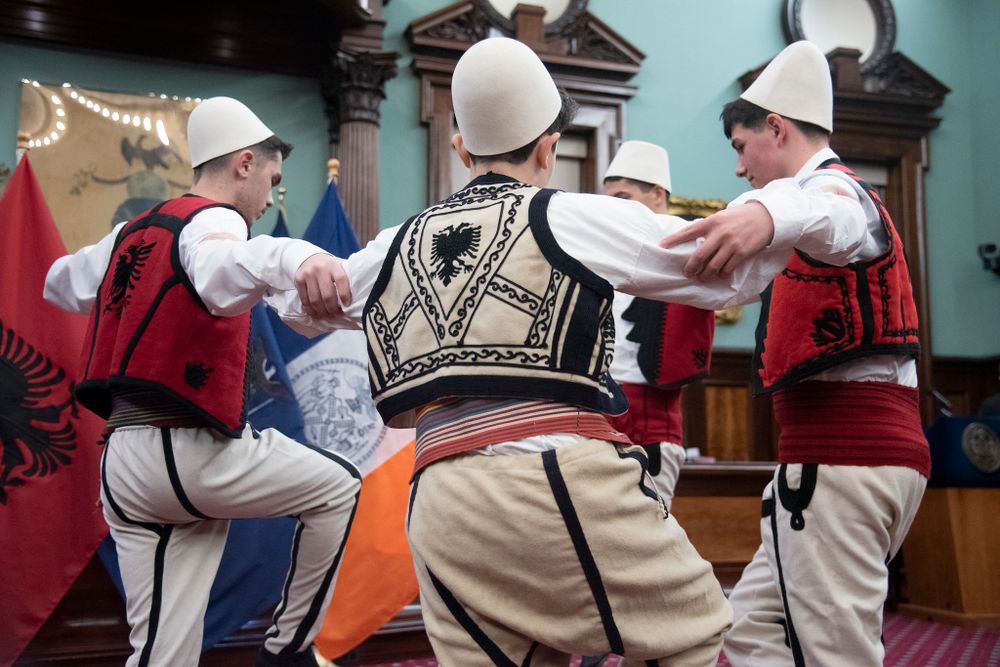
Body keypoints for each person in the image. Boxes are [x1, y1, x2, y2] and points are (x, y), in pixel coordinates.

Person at [287, 37, 892, 666]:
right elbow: (729, 278)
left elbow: (302, 305)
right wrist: (768, 213)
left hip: (435, 490)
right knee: (695, 623)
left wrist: (297, 262)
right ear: (549, 147)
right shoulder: (573, 218)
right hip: (548, 475)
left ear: (460, 146)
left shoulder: (392, 245)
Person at [43, 97, 362, 667]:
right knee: (340, 485)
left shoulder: (131, 232)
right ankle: (289, 649)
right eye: (271, 179)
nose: (269, 199)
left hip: (123, 465)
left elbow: (59, 283)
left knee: (163, 655)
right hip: (184, 449)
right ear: (244, 163)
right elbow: (219, 276)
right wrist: (298, 257)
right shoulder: (216, 220)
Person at [686, 41, 929, 667]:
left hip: (848, 458)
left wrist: (765, 213)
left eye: (741, 148)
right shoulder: (806, 208)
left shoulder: (835, 195)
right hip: (829, 463)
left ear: (776, 126)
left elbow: (829, 213)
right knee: (750, 630)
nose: (739, 169)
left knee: (835, 654)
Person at [602, 140, 715, 506]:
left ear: (657, 194)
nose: (612, 207)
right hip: (596, 412)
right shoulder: (601, 250)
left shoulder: (691, 247)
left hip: (650, 414)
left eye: (623, 196)